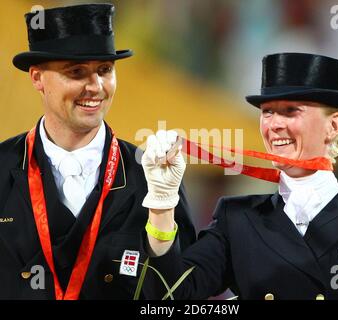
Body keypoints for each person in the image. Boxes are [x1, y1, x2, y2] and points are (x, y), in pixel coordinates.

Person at [141, 52, 338, 300]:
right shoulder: (237, 219)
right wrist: (162, 203)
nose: (274, 124)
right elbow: (168, 297)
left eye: (290, 111)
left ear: (334, 126)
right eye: (267, 112)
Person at [0, 3, 195, 300]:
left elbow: (178, 296)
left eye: (105, 70)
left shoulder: (152, 173)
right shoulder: (2, 168)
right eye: (76, 72)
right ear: (37, 78)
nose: (96, 86)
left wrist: (162, 210)